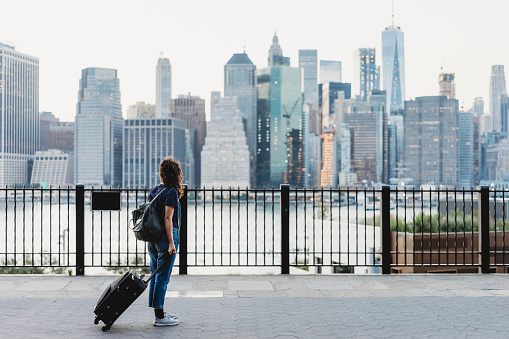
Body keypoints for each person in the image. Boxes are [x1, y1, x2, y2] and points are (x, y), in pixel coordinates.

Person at [147, 156, 183, 326]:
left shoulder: (155, 190)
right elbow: (168, 219)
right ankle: (159, 317)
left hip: (152, 238)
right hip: (164, 239)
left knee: (155, 275)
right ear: (176, 174)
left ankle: (159, 311)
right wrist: (171, 243)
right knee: (162, 277)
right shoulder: (172, 192)